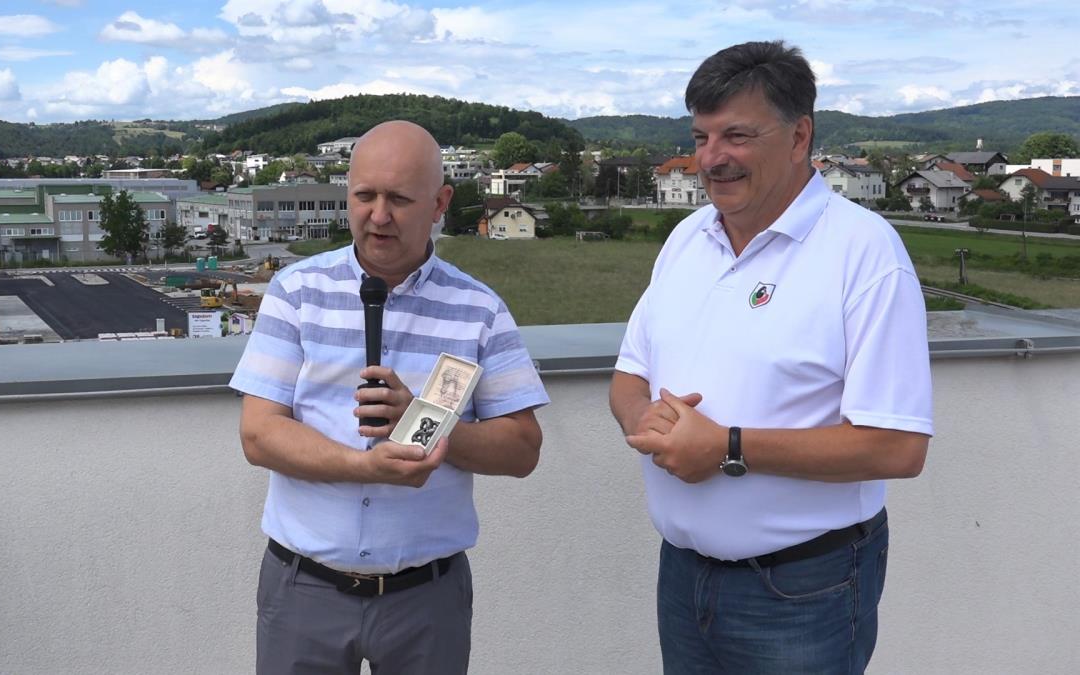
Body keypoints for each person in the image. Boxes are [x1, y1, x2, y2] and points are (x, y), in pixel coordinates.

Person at [609, 41, 933, 674]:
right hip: (683, 575)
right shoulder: (686, 239)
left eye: (736, 135)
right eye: (701, 137)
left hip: (804, 589)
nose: (711, 158)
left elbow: (898, 448)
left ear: (798, 136)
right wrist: (643, 420)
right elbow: (629, 376)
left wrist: (726, 447)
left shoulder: (864, 252)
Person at [230, 120, 548, 674]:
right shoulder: (296, 291)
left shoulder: (480, 309)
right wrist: (365, 467)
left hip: (426, 600)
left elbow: (522, 449)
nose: (378, 216)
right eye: (365, 196)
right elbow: (259, 436)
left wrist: (427, 422)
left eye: (399, 199)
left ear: (440, 203)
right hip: (304, 591)